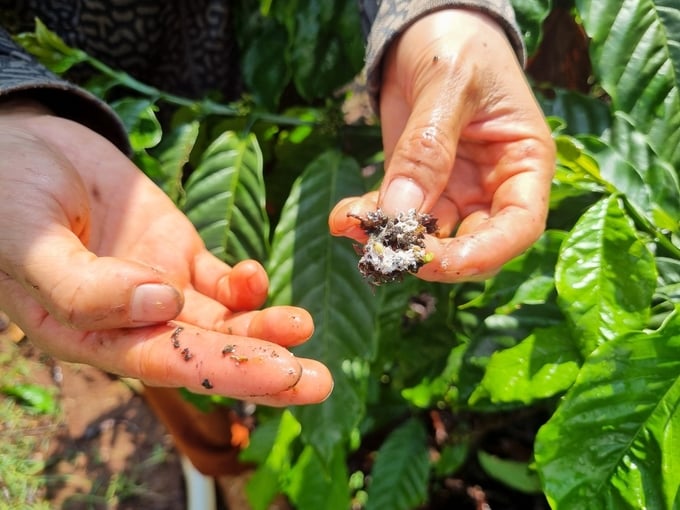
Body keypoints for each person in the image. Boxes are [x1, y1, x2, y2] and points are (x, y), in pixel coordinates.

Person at [0, 0, 555, 506]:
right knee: (143, 308)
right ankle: (219, 459)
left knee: (203, 299)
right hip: (78, 103)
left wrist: (442, 17)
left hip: (265, 55)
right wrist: (11, 102)